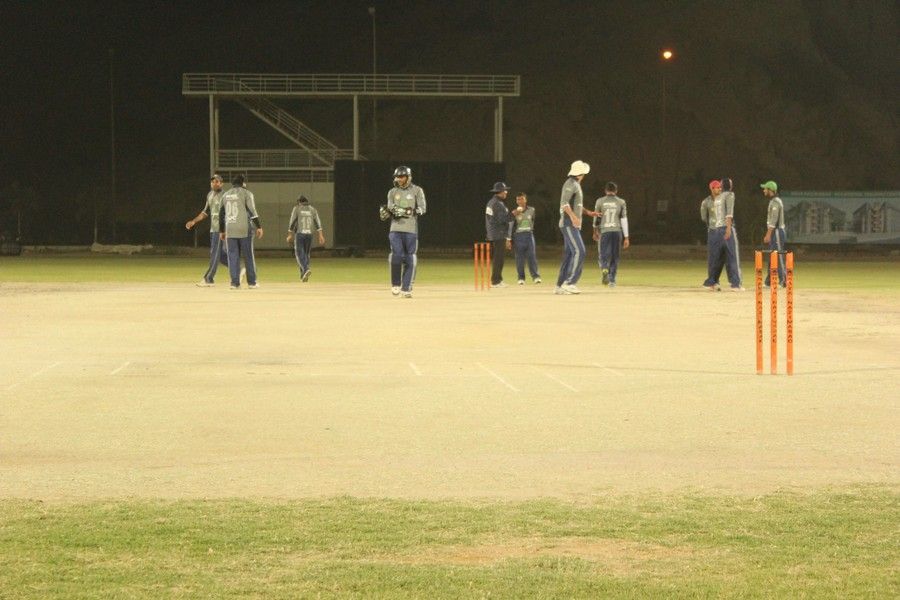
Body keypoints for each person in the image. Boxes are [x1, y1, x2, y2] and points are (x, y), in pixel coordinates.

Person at [555, 160, 598, 295]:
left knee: (569, 254)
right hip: (568, 223)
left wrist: (588, 212)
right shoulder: (570, 184)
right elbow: (564, 204)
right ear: (581, 173)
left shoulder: (575, 184)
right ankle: (570, 283)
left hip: (570, 223)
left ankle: (560, 285)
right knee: (580, 251)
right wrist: (574, 217)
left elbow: (576, 205)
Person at [383, 165, 426, 298]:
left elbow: (423, 208)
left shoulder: (417, 190)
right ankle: (396, 284)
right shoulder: (392, 192)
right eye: (397, 177)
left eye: (401, 177)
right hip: (395, 229)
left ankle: (406, 288)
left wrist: (411, 211)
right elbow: (390, 208)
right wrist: (387, 213)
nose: (399, 179)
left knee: (410, 258)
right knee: (396, 256)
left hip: (411, 230)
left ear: (408, 177)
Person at [218, 174, 263, 289]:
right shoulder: (246, 193)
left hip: (230, 229)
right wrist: (259, 226)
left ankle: (234, 283)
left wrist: (222, 231)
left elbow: (221, 214)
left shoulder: (225, 195)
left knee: (232, 257)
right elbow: (252, 211)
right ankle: (252, 283)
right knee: (248, 255)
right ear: (243, 183)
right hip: (244, 229)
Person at [185, 174, 227, 287]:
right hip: (213, 229)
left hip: (221, 229)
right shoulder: (210, 195)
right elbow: (205, 212)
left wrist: (224, 229)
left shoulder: (225, 196)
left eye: (217, 181)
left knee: (214, 254)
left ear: (221, 183)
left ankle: (209, 279)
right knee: (220, 255)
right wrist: (193, 221)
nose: (214, 183)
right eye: (213, 182)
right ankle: (240, 268)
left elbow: (228, 213)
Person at [699, 179, 742, 291]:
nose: (719, 189)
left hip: (718, 229)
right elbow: (704, 217)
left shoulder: (720, 198)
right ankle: (730, 283)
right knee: (721, 257)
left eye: (720, 187)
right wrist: (726, 228)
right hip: (715, 230)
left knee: (719, 257)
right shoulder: (708, 201)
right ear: (712, 189)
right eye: (717, 187)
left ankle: (712, 281)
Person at [592, 181, 630, 288]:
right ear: (616, 191)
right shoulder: (621, 202)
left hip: (605, 231)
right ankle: (612, 280)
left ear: (605, 191)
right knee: (615, 256)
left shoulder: (600, 201)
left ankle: (605, 268)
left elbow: (597, 217)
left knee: (603, 254)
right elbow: (624, 219)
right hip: (617, 231)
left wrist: (595, 231)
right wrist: (626, 237)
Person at [286, 194, 325, 282]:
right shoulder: (313, 209)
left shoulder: (297, 209)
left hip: (300, 234)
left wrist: (290, 234)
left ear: (299, 202)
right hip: (309, 235)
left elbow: (292, 221)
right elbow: (318, 223)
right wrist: (321, 235)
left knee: (299, 253)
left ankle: (306, 269)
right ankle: (303, 275)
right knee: (306, 254)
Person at [485, 182, 514, 287]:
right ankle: (496, 281)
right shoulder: (498, 204)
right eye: (504, 190)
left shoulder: (492, 202)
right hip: (499, 233)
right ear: (500, 191)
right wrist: (513, 214)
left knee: (499, 257)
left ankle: (498, 279)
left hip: (495, 233)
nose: (506, 192)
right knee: (499, 258)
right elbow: (503, 219)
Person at [508, 193, 542, 285]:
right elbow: (510, 226)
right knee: (519, 258)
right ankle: (521, 278)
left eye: (521, 199)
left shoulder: (532, 210)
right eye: (518, 199)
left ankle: (536, 277)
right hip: (518, 236)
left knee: (532, 256)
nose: (520, 201)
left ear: (525, 200)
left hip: (529, 235)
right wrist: (509, 239)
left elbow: (533, 221)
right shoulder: (514, 212)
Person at [761, 180, 787, 288]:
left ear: (770, 190)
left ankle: (784, 281)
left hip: (776, 231)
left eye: (765, 189)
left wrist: (768, 234)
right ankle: (769, 281)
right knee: (773, 256)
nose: (764, 190)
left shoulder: (776, 201)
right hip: (774, 232)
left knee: (778, 256)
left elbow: (774, 220)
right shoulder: (773, 201)